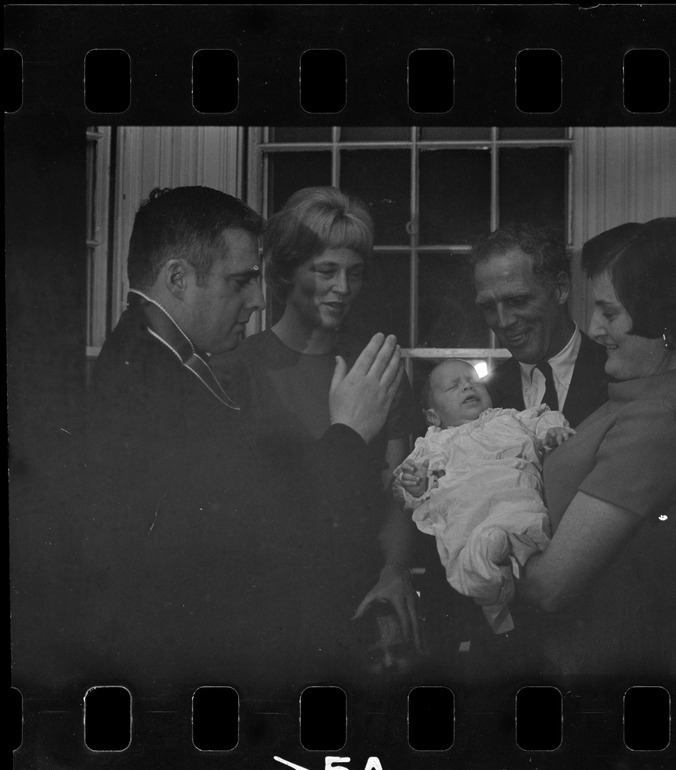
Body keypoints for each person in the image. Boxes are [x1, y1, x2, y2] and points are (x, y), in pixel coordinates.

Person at [79, 186, 403, 693]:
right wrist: (348, 433)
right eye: (240, 282)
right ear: (178, 279)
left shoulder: (163, 362)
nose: (256, 300)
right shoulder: (148, 386)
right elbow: (264, 534)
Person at [213, 186, 423, 648]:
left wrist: (393, 574)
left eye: (355, 273)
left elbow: (397, 490)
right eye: (326, 271)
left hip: (363, 593)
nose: (343, 289)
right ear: (286, 272)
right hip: (269, 607)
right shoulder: (236, 370)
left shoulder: (376, 366)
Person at [519, 217, 676, 679]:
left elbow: (551, 585)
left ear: (663, 323)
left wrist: (469, 552)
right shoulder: (645, 393)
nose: (593, 326)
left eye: (609, 313)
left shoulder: (655, 419)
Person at [394, 359, 572, 635]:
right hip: (469, 518)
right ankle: (494, 598)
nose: (467, 386)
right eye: (454, 386)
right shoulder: (434, 442)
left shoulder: (511, 418)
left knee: (512, 529)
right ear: (433, 417)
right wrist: (417, 485)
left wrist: (551, 431)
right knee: (476, 551)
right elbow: (410, 492)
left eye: (474, 381)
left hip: (516, 500)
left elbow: (543, 419)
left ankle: (498, 588)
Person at [471, 223, 608, 428]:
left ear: (560, 289)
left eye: (517, 301)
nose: (503, 321)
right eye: (489, 307)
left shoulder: (617, 373)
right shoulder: (483, 397)